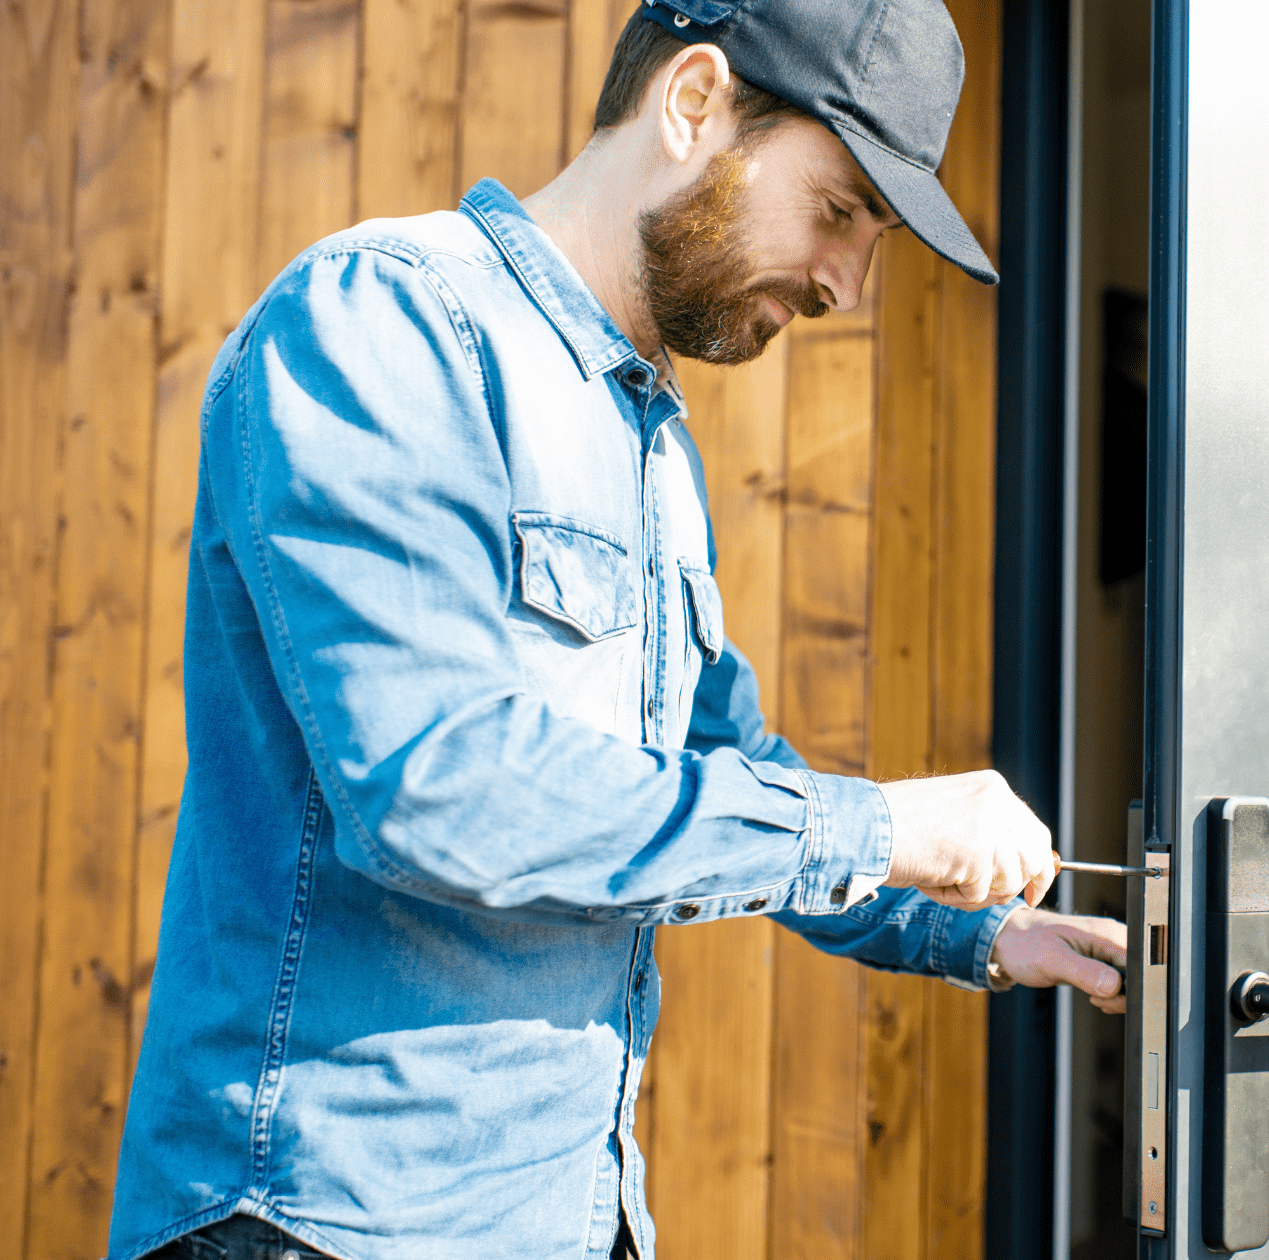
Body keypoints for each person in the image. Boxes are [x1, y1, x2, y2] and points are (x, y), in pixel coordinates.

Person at [107, 3, 1126, 1257]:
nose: (848, 284)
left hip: (573, 1220)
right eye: (842, 208)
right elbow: (437, 784)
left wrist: (980, 929)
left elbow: (732, 784)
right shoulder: (384, 322)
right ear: (692, 102)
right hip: (323, 1226)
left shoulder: (649, 447)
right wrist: (888, 824)